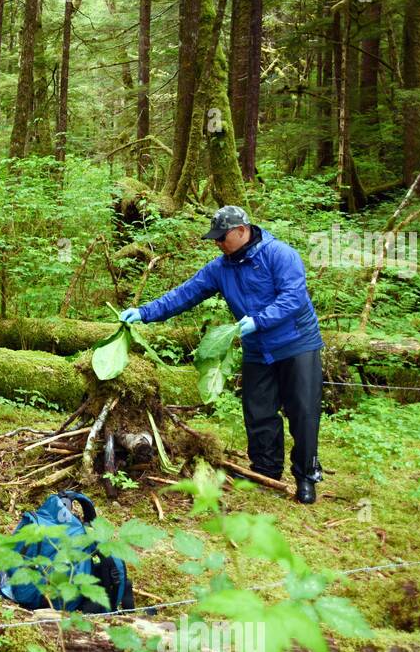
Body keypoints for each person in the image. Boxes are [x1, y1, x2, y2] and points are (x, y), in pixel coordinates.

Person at [121, 205, 325, 503]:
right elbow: (184, 294)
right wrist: (144, 312)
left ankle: (306, 476)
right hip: (257, 348)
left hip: (297, 343)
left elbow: (293, 297)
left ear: (242, 231)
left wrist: (259, 319)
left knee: (303, 412)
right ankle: (266, 471)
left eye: (221, 237)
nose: (217, 243)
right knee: (259, 412)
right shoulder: (221, 268)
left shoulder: (279, 254)